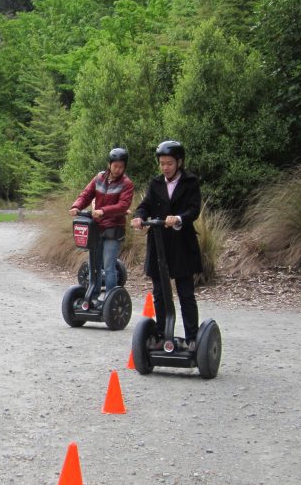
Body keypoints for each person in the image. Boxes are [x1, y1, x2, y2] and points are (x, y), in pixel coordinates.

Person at [130, 140, 204, 349]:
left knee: (185, 293)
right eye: (162, 163)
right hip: (159, 244)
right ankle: (162, 334)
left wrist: (178, 218)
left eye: (169, 163)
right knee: (160, 294)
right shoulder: (156, 183)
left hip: (182, 245)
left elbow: (194, 209)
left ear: (179, 162)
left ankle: (191, 338)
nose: (165, 167)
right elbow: (145, 205)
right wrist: (139, 217)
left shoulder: (190, 182)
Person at [69, 147, 135, 291]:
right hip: (97, 227)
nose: (118, 169)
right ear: (109, 164)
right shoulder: (99, 178)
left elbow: (123, 206)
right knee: (94, 265)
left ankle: (110, 300)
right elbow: (86, 194)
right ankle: (94, 295)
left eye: (121, 167)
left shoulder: (127, 184)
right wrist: (76, 206)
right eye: (115, 166)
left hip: (113, 228)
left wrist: (103, 211)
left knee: (108, 265)